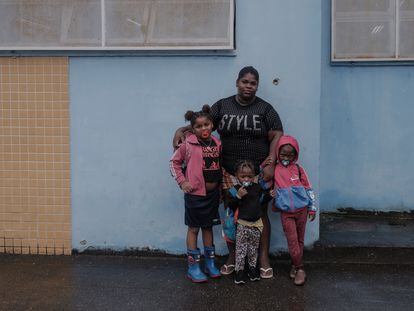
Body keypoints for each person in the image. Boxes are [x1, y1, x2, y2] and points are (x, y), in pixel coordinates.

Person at [173, 66, 283, 278]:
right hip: (227, 171)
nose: (248, 86)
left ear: (257, 86)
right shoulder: (222, 106)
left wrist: (271, 161)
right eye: (245, 82)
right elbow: (201, 123)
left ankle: (263, 258)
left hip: (257, 172)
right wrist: (180, 130)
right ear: (237, 82)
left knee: (260, 213)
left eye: (253, 83)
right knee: (232, 216)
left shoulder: (265, 109)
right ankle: (233, 257)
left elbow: (277, 133)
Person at [170, 105, 222, 283]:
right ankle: (193, 267)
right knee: (194, 229)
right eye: (198, 126)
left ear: (212, 125)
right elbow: (174, 163)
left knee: (208, 227)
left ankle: (210, 264)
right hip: (195, 195)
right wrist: (182, 182)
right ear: (193, 129)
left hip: (213, 195)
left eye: (206, 124)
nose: (203, 128)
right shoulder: (187, 144)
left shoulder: (217, 143)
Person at [270, 135, 316, 286]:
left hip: (302, 210)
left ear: (295, 155)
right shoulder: (274, 169)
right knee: (292, 241)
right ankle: (301, 268)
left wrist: (312, 208)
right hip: (286, 212)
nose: (286, 157)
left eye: (290, 155)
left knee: (300, 240)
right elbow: (264, 182)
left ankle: (294, 266)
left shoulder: (298, 169)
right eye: (283, 154)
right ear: (278, 153)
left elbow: (308, 188)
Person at [225, 160, 272, 284]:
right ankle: (239, 272)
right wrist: (238, 196)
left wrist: (270, 195)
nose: (246, 178)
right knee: (240, 249)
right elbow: (230, 204)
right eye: (243, 176)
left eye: (249, 176)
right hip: (242, 224)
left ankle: (252, 269)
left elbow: (262, 200)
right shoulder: (235, 189)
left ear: (253, 177)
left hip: (256, 224)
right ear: (237, 176)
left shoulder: (257, 188)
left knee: (253, 249)